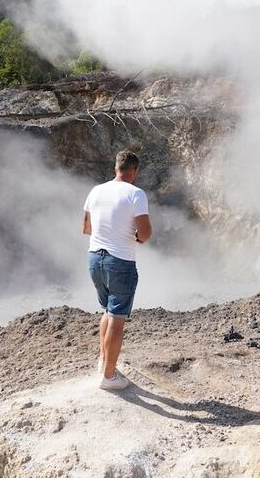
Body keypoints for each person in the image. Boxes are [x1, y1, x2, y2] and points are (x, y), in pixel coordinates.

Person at [82, 150, 152, 390]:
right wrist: (136, 238)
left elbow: (86, 227)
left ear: (116, 168)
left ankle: (104, 363)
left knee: (107, 310)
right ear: (135, 171)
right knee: (117, 318)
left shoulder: (96, 191)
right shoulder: (136, 194)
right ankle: (109, 376)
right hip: (119, 260)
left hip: (94, 258)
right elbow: (144, 233)